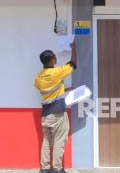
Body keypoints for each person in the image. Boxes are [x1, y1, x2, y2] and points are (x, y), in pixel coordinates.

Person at [34, 41, 77, 173]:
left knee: (47, 141)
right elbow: (73, 64)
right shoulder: (57, 73)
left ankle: (45, 168)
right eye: (54, 56)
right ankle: (57, 168)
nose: (56, 58)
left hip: (46, 114)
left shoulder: (38, 77)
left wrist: (67, 88)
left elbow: (50, 90)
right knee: (59, 141)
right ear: (52, 60)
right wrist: (74, 48)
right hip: (58, 113)